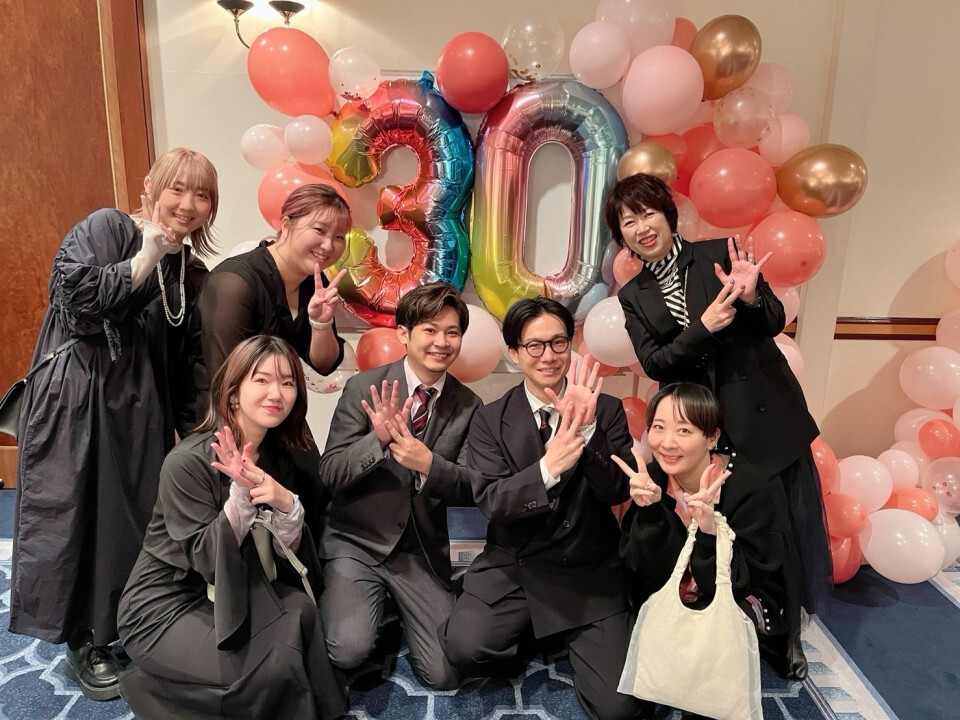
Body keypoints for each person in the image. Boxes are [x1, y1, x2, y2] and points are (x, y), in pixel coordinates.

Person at [10, 147, 218, 700]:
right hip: (80, 400)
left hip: (142, 410)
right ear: (151, 189)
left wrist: (192, 427)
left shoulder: (189, 272)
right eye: (177, 189)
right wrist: (144, 257)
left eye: (201, 195)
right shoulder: (108, 228)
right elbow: (74, 300)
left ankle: (128, 620)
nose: (188, 204)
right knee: (78, 513)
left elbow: (187, 361)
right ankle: (85, 639)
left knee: (133, 519)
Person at [606, 172, 829, 679]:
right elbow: (657, 363)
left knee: (774, 527)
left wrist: (750, 297)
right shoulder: (634, 293)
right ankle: (720, 614)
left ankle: (783, 631)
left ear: (668, 215)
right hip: (701, 427)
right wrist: (704, 328)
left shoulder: (718, 252)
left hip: (761, 414)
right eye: (628, 221)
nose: (642, 227)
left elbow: (772, 320)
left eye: (648, 213)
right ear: (622, 236)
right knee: (710, 525)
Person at [117, 335, 347, 720]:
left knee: (301, 611)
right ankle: (148, 690)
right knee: (274, 667)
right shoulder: (187, 463)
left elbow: (287, 558)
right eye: (262, 380)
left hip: (237, 589)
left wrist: (287, 505)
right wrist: (240, 497)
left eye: (288, 382)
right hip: (166, 604)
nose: (276, 393)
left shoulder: (279, 456)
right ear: (233, 392)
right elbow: (208, 561)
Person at [439, 297, 648, 720]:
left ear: (570, 345)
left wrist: (588, 429)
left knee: (620, 709)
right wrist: (547, 469)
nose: (548, 356)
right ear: (514, 353)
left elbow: (616, 492)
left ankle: (556, 627)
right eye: (534, 345)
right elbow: (493, 502)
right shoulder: (490, 419)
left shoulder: (606, 409)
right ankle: (541, 629)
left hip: (587, 568)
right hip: (515, 564)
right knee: (464, 649)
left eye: (558, 343)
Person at [317, 281, 482, 690]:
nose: (441, 342)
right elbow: (331, 472)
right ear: (404, 334)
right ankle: (370, 609)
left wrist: (429, 464)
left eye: (452, 332)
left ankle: (398, 611)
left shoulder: (469, 405)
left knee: (445, 675)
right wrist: (378, 441)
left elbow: (473, 486)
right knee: (347, 650)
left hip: (420, 550)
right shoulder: (365, 388)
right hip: (358, 542)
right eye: (430, 329)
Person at [617, 383, 789, 718]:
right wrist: (651, 512)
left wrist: (710, 532)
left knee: (707, 701)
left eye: (684, 430)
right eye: (659, 427)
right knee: (627, 700)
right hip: (668, 595)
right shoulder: (653, 479)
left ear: (712, 438)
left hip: (732, 596)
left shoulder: (746, 487)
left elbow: (739, 582)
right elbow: (642, 567)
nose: (667, 443)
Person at [199, 182, 351, 530]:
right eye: (319, 230)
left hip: (274, 413)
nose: (329, 245)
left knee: (317, 495)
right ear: (286, 224)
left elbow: (323, 364)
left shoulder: (314, 283)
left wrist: (320, 323)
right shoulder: (235, 282)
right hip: (224, 419)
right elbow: (225, 379)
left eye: (340, 236)